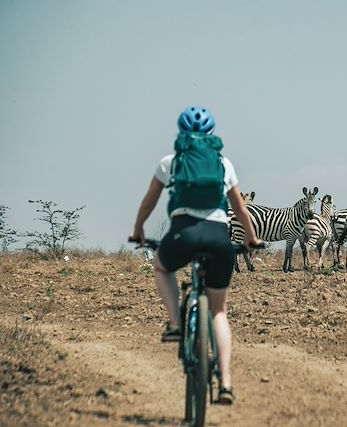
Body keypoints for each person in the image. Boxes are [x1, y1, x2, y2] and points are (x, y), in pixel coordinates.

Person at [131, 106, 261, 405]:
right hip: (218, 238)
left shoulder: (170, 162)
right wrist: (252, 238)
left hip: (183, 234)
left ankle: (176, 323)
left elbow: (148, 202)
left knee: (162, 268)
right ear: (212, 134)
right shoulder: (223, 163)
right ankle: (226, 383)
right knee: (219, 312)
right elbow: (240, 209)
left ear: (180, 133)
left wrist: (138, 229)